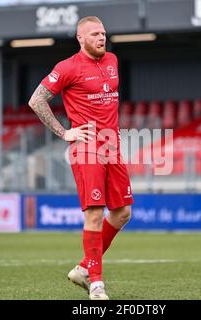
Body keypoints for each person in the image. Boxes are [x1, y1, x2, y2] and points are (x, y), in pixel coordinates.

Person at [28, 16, 133, 300]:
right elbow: (36, 100)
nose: (102, 38)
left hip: (112, 146)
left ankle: (85, 267)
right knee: (95, 213)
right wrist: (64, 133)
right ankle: (96, 285)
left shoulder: (112, 60)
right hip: (87, 148)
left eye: (104, 33)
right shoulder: (67, 68)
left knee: (123, 212)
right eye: (95, 34)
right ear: (80, 38)